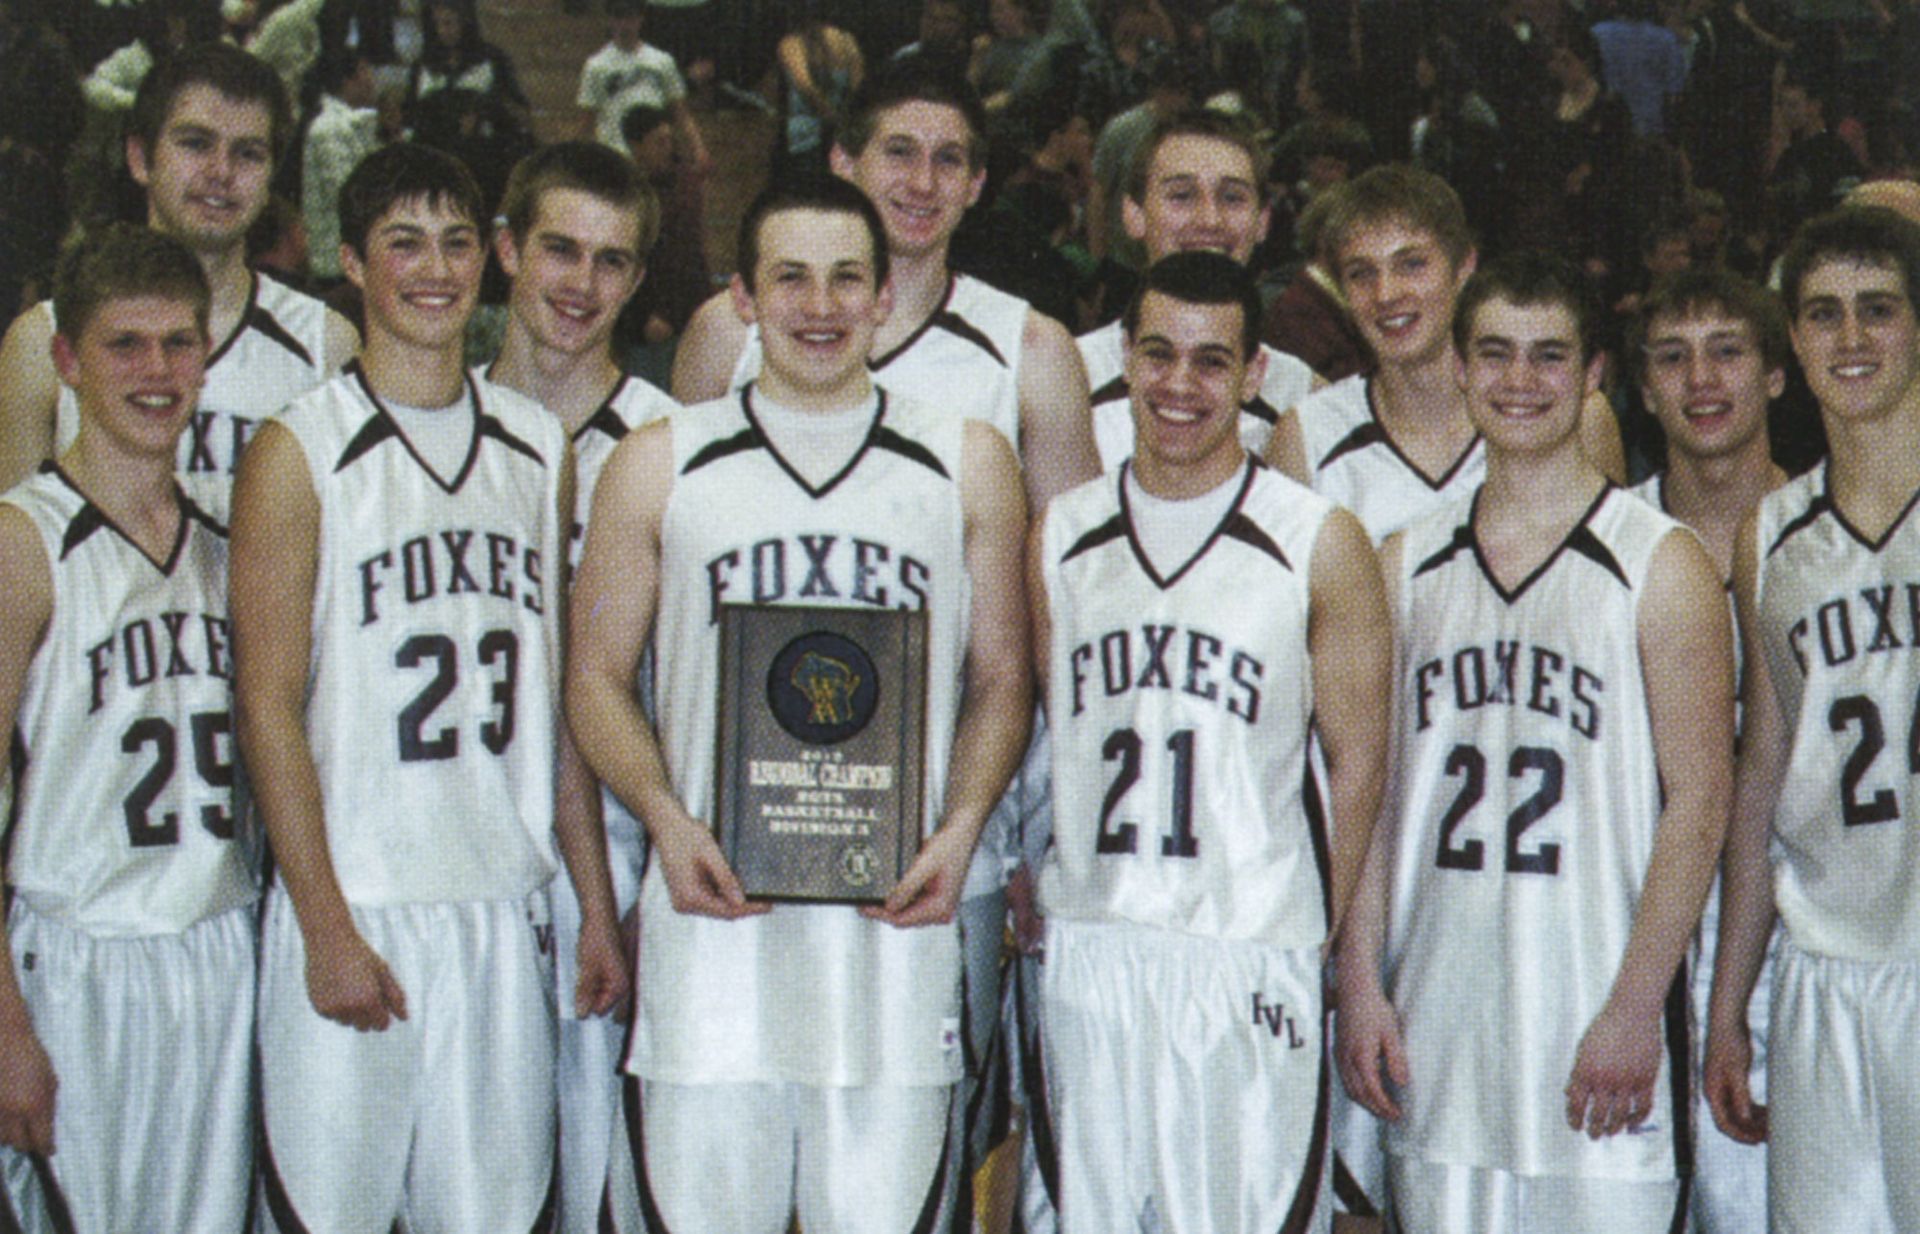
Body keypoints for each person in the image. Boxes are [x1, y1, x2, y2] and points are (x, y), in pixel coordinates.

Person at [567, 176, 1030, 1232]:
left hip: (891, 937)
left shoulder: (966, 461)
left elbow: (1003, 679)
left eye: (846, 279)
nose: (819, 306)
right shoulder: (659, 461)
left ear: (882, 299)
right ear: (742, 296)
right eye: (791, 278)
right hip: (712, 935)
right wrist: (667, 822)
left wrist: (962, 830)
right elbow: (592, 678)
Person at [671, 69, 1097, 1212]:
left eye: (949, 157)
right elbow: (682, 601)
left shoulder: (1029, 349)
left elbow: (1064, 616)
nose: (922, 179)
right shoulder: (727, 332)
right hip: (743, 831)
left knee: (908, 1150)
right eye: (898, 151)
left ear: (980, 184)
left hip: (934, 837)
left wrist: (1030, 829)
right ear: (844, 165)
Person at [231, 143, 628, 1232]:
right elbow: (265, 704)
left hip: (501, 912)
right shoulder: (296, 450)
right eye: (403, 241)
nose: (434, 267)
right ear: (350, 261)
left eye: (457, 240)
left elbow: (556, 717)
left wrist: (593, 903)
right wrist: (321, 923)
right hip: (357, 899)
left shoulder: (539, 449)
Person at [1337, 251, 1732, 1233]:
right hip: (1441, 1028)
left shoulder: (1658, 563)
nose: (1521, 382)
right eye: (1497, 354)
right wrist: (1359, 982)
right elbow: (1372, 796)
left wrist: (1638, 1006)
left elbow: (1702, 801)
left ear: (1594, 372)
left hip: (1594, 1032)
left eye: (1549, 356)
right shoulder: (1404, 564)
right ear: (1461, 369)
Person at [1033, 250, 1389, 1232]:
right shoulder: (1061, 531)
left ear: (1253, 372)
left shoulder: (1317, 537)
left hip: (1246, 951)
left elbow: (1361, 761)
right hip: (1095, 945)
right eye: (1158, 354)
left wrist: (1309, 926)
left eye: (1207, 360)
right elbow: (1053, 730)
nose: (1178, 385)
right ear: (1126, 362)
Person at [0, 224, 254, 1232]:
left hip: (218, 941)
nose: (158, 371)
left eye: (180, 343)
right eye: (125, 345)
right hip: (80, 958)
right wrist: (5, 1024)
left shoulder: (233, 537)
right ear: (66, 360)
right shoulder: (24, 540)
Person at [1706, 206, 1920, 1232]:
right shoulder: (1771, 536)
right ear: (1791, 338)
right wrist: (1728, 1002)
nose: (1851, 339)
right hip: (1823, 965)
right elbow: (1762, 773)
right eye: (1823, 314)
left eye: (1878, 310)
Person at [486, 140, 674, 1234]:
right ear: (509, 249)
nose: (579, 283)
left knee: (614, 1185)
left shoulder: (669, 441)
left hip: (618, 849)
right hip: (469, 859)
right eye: (559, 247)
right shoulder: (432, 417)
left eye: (611, 260)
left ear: (639, 282)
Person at [0, 41, 357, 518]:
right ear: (140, 157)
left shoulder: (325, 345)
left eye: (248, 153)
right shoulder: (44, 340)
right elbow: (19, 571)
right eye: (195, 143)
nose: (221, 172)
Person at [1627, 266, 1789, 1234]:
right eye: (1673, 357)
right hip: (1639, 938)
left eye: (1728, 349)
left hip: (1795, 946)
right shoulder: (1608, 538)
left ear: (1776, 374)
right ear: (1641, 387)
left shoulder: (1828, 530)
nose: (1702, 380)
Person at [1267, 164, 1624, 546]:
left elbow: (1612, 584)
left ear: (1464, 267)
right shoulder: (1309, 436)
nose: (1385, 293)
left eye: (1412, 264)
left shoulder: (1573, 415)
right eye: (1361, 273)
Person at [1078, 108, 1323, 472]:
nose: (1209, 220)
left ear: (1263, 221)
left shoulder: (1302, 395)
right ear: (1134, 214)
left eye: (1232, 198)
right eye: (1181, 196)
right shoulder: (1074, 376)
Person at [576, 0, 709, 171]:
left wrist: (698, 148)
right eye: (619, 18)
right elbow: (587, 121)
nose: (625, 25)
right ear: (610, 20)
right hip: (614, 156)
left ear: (641, 18)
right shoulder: (595, 66)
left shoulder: (662, 61)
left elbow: (681, 112)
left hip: (654, 158)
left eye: (630, 18)